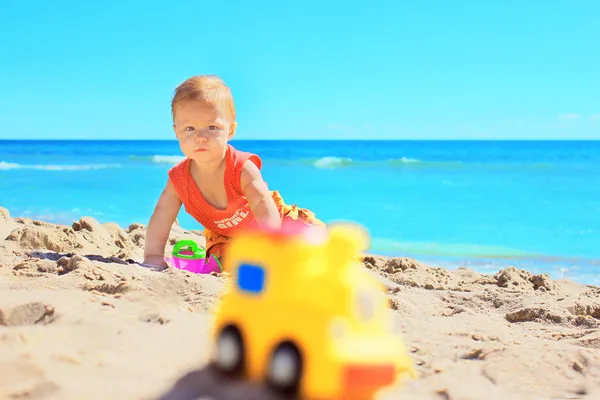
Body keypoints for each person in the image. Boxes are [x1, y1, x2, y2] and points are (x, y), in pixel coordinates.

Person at [143, 75, 323, 268]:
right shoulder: (179, 179)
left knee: (307, 246)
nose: (201, 137)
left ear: (230, 131)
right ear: (176, 132)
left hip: (275, 225)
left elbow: (262, 203)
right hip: (226, 237)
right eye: (189, 128)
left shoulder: (241, 167)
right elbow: (162, 216)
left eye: (212, 127)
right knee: (226, 264)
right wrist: (153, 257)